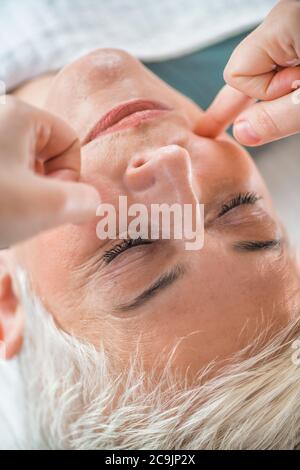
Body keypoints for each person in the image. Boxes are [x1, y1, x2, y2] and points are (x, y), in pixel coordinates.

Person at [0, 0, 299, 450]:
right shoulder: (272, 50)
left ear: (9, 303)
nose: (172, 163)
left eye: (131, 244)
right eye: (240, 209)